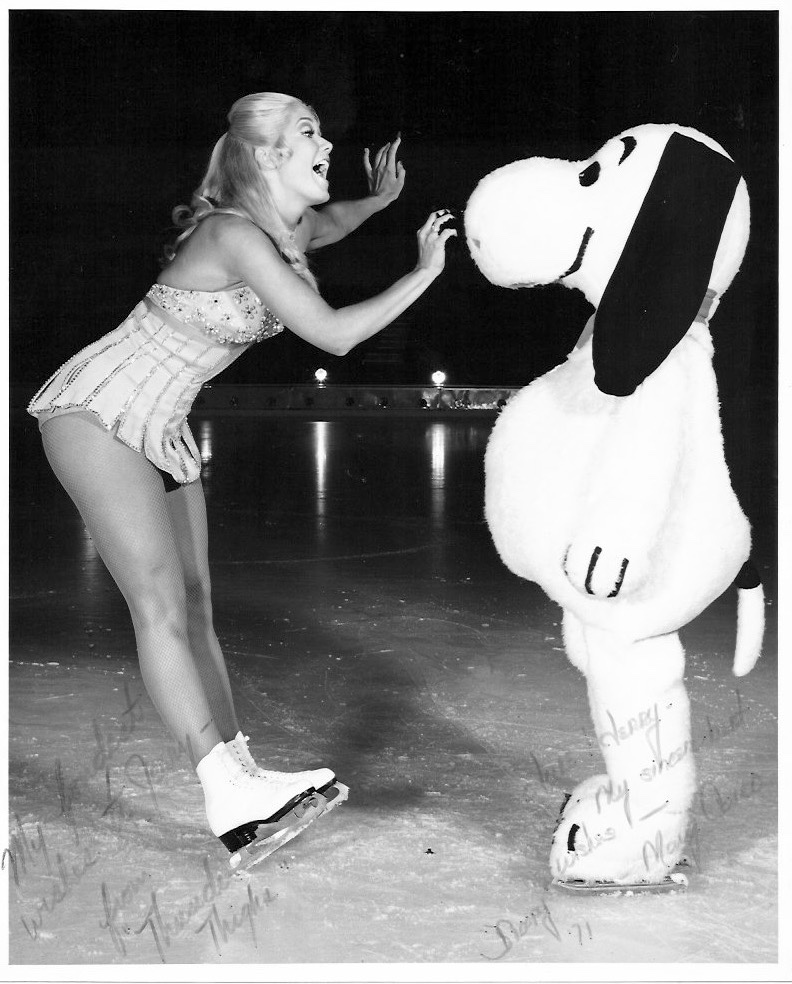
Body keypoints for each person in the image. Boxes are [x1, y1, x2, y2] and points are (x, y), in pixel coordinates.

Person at [27, 91, 456, 867]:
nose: (327, 142)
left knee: (196, 607)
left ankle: (246, 779)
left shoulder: (287, 228)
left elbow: (334, 221)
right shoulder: (234, 235)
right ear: (267, 157)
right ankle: (224, 789)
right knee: (158, 607)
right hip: (98, 410)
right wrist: (426, 272)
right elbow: (332, 332)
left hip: (164, 425)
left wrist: (381, 200)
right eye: (309, 133)